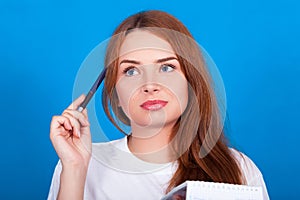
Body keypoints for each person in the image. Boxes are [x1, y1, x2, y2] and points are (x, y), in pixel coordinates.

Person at [48, 10, 269, 200]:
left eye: (166, 68)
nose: (149, 85)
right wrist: (75, 170)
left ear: (190, 81)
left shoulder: (239, 169)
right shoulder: (78, 164)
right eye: (131, 71)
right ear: (115, 94)